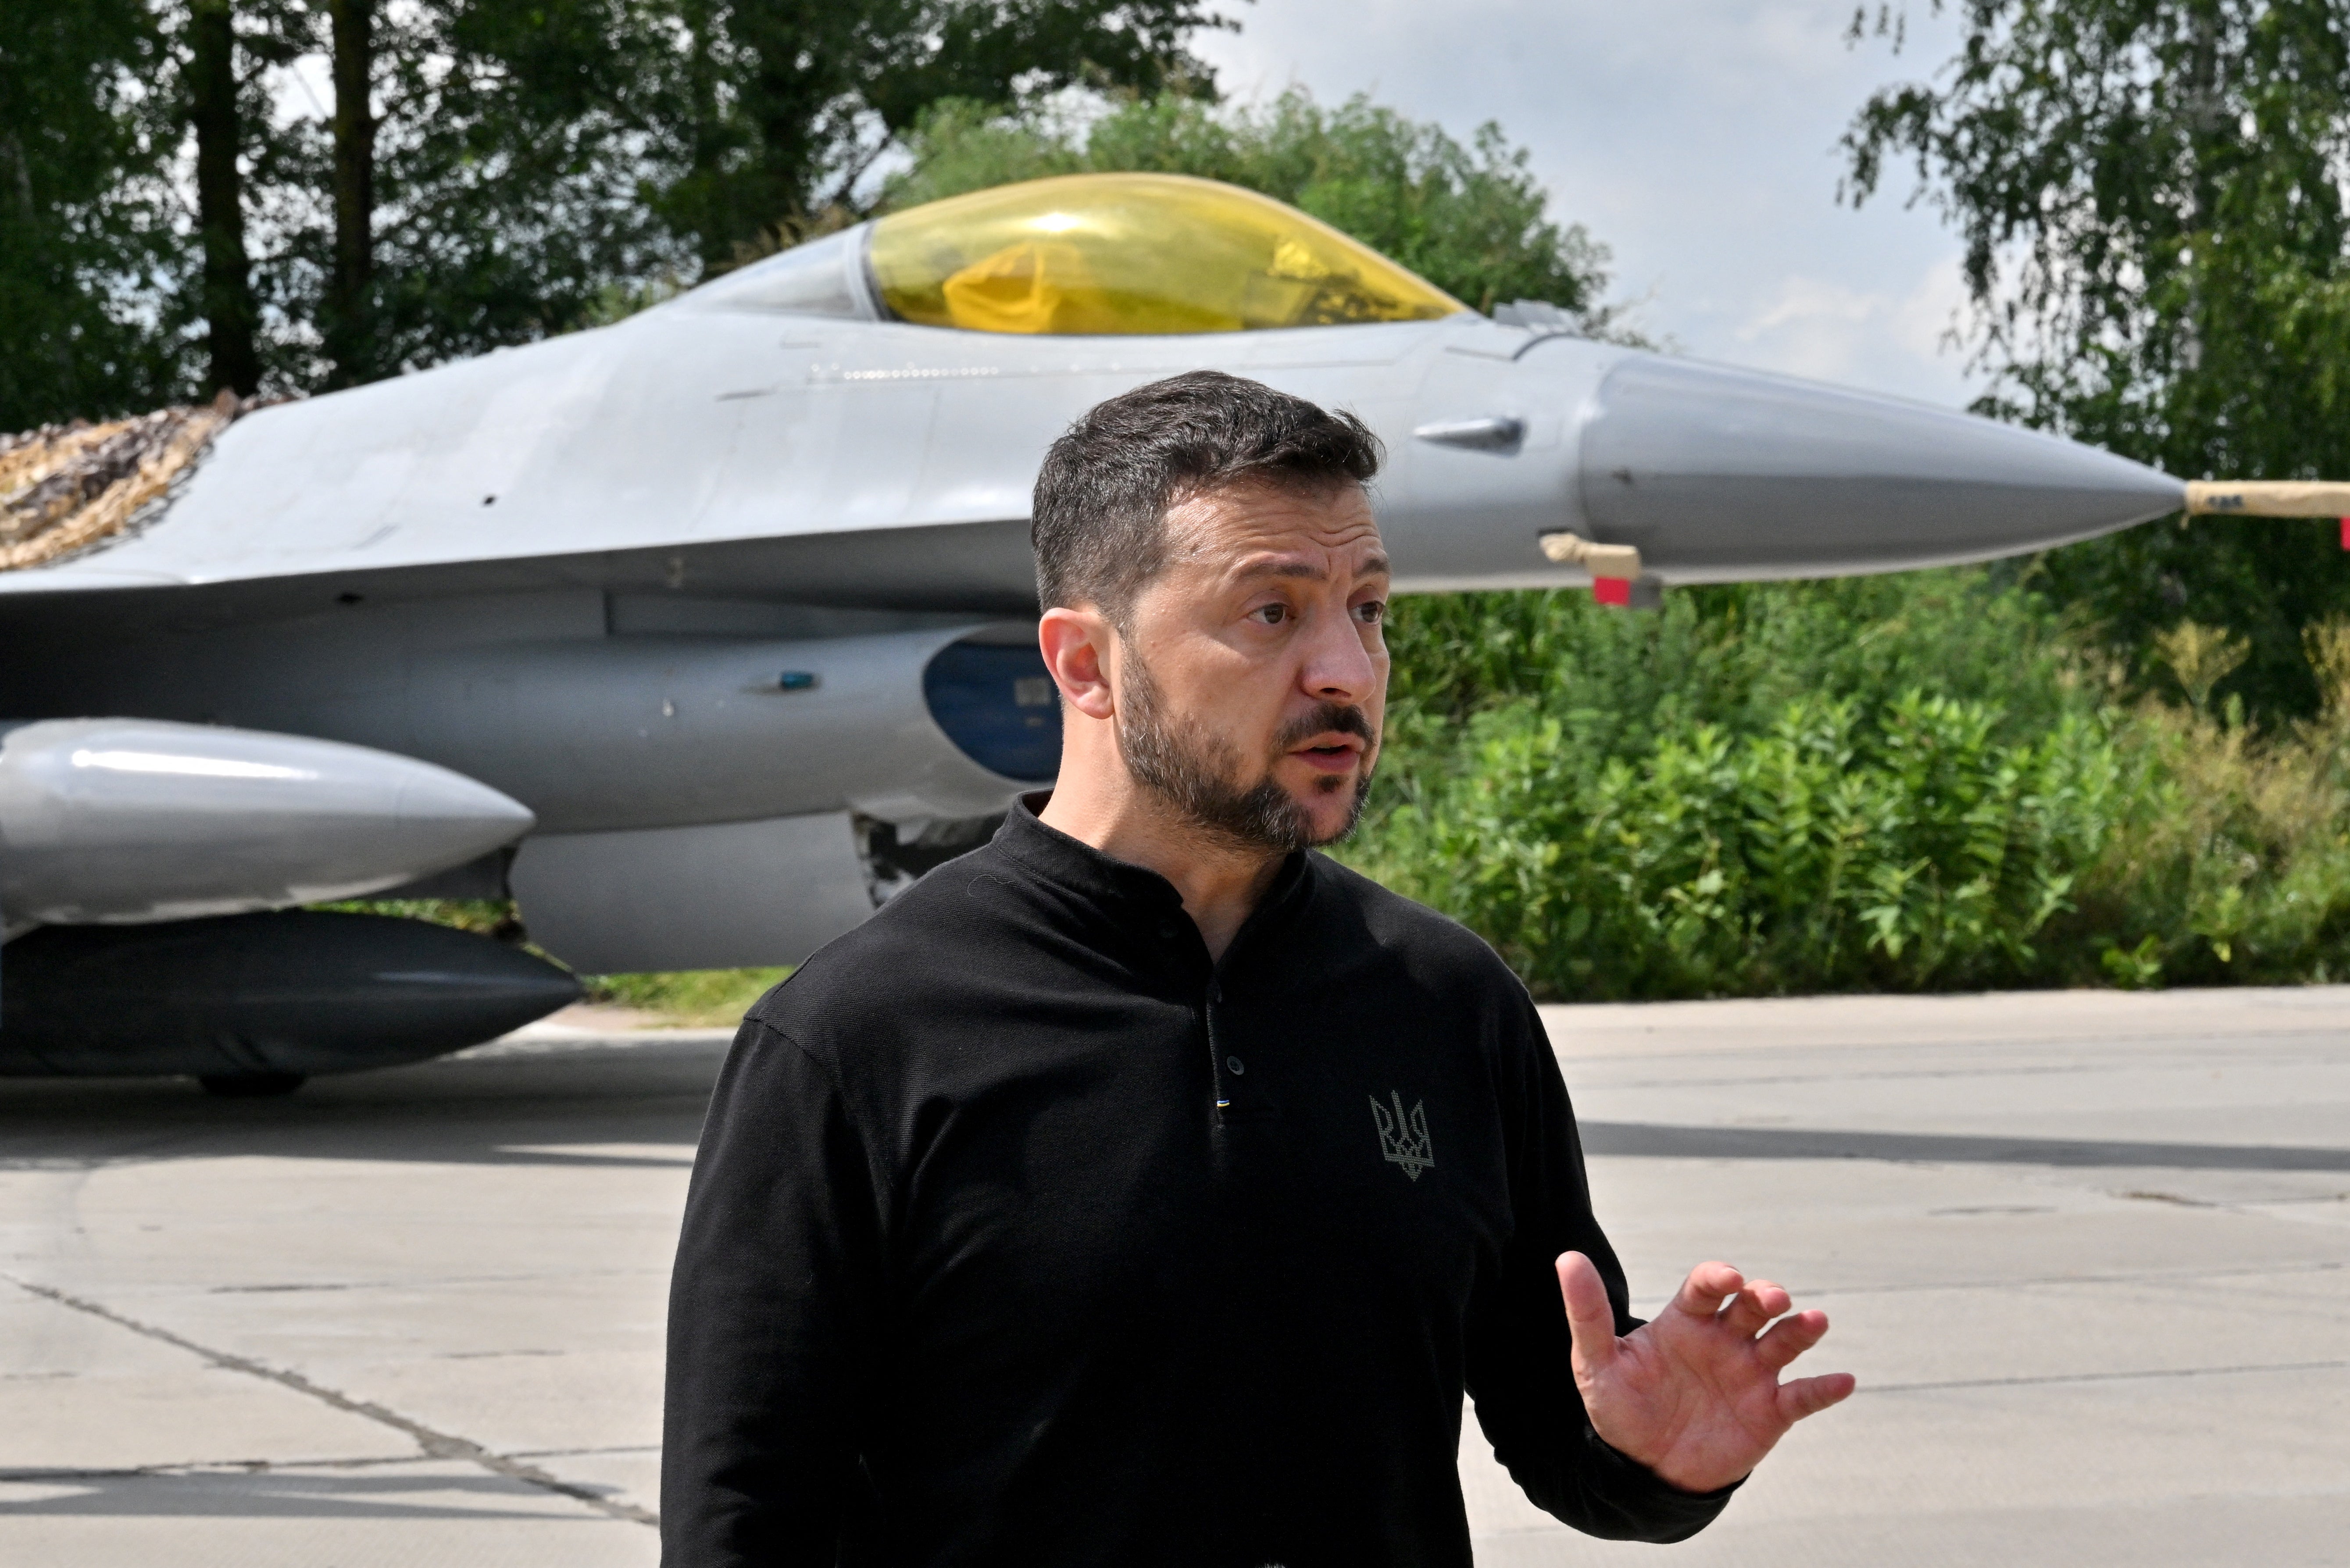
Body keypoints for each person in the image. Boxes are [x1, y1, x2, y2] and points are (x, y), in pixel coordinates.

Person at [661, 370, 1853, 1567]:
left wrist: (1657, 1464)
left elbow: (1559, 1429)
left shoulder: (1447, 1004)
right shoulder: (855, 1041)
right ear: (1086, 664)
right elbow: (744, 1528)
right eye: (1272, 613)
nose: (1348, 670)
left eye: (1370, 610)